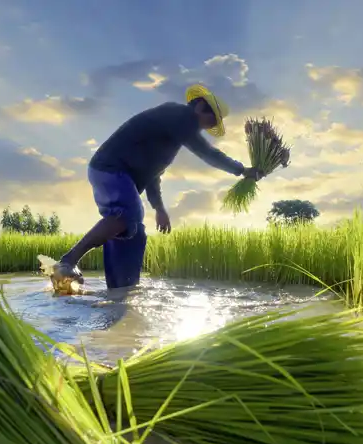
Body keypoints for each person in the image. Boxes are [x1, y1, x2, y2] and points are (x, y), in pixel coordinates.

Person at [50, 84, 263, 293]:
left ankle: (120, 293)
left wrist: (159, 209)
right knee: (128, 213)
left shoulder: (171, 138)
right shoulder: (180, 115)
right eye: (212, 119)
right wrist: (242, 170)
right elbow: (206, 152)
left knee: (134, 232)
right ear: (199, 106)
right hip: (110, 168)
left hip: (115, 175)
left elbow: (153, 177)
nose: (209, 126)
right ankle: (67, 261)